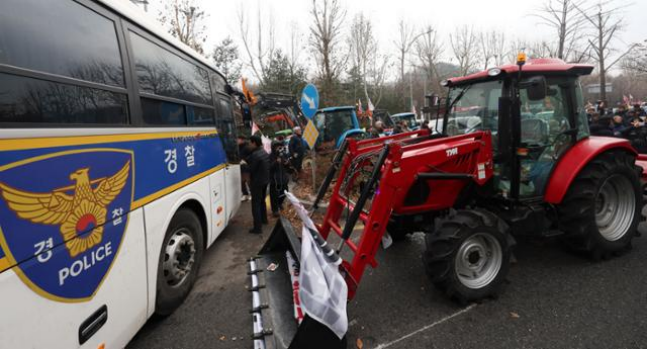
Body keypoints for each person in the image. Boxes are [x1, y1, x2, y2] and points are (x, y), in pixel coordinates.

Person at [246, 135, 270, 234]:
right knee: (262, 201)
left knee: (255, 204)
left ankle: (257, 228)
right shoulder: (264, 151)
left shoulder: (255, 155)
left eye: (250, 143)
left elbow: (251, 169)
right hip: (265, 180)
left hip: (257, 182)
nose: (248, 145)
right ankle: (264, 220)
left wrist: (244, 165)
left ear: (254, 143)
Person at [269, 141, 291, 217]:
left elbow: (288, 166)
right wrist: (275, 162)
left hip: (283, 177)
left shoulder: (283, 154)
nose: (279, 148)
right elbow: (269, 168)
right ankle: (275, 210)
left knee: (285, 192)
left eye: (279, 146)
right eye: (277, 146)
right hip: (275, 179)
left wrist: (287, 163)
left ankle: (279, 203)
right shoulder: (270, 156)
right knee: (274, 195)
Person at [237, 136, 251, 202]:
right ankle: (245, 194)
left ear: (242, 140)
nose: (237, 140)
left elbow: (251, 156)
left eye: (238, 139)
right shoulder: (238, 147)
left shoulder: (247, 147)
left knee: (248, 181)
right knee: (242, 182)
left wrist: (245, 160)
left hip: (246, 167)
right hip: (240, 167)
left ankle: (251, 194)